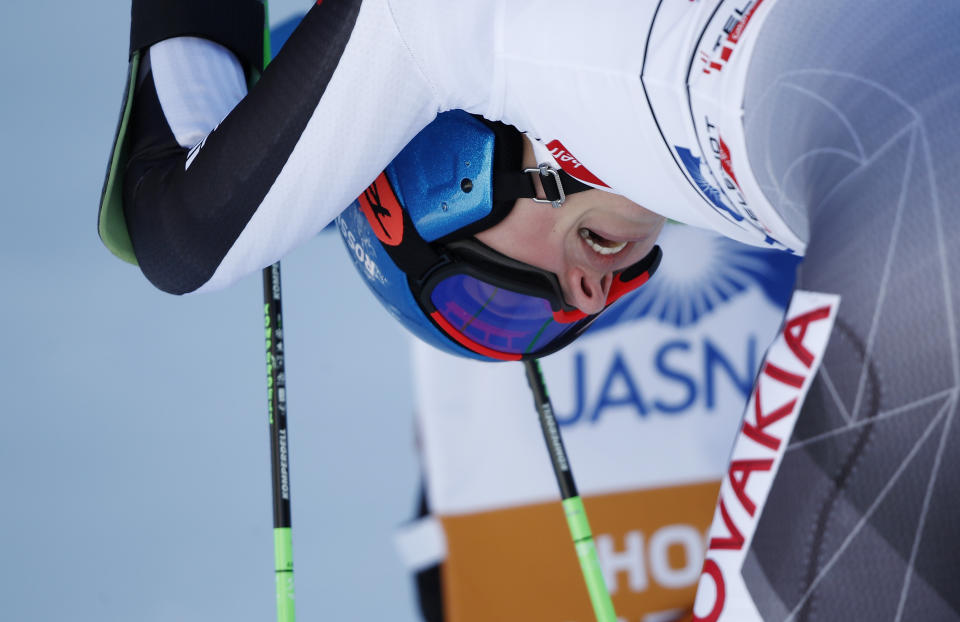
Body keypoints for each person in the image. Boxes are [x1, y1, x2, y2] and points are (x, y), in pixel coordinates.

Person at [100, 0, 960, 619]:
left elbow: (182, 230)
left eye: (493, 306)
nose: (582, 300)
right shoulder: (671, 158)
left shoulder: (464, 33)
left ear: (447, 169)